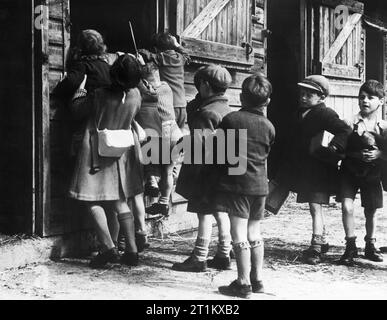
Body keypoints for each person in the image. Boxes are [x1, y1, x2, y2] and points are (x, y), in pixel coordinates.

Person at [68, 54, 143, 268]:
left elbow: (77, 110)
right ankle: (131, 250)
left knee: (91, 200)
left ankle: (108, 248)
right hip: (121, 152)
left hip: (96, 150)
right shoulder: (136, 95)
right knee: (119, 200)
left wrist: (81, 89)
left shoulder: (99, 94)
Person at [216, 74, 275, 299]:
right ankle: (257, 279)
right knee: (254, 232)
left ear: (241, 97)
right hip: (260, 185)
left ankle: (242, 283)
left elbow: (220, 153)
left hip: (237, 184)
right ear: (267, 102)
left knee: (238, 232)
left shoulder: (231, 120)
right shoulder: (269, 126)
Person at [173, 64, 233, 272]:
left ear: (205, 85)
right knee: (221, 212)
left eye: (199, 86)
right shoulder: (226, 109)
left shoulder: (205, 113)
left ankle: (199, 257)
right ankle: (224, 253)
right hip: (223, 171)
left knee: (203, 213)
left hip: (204, 171)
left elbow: (200, 146)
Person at [288, 75, 351, 265]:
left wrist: (335, 147)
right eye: (302, 93)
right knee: (312, 206)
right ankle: (322, 240)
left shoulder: (326, 114)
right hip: (307, 168)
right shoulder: (300, 113)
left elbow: (344, 131)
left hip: (320, 168)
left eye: (310, 94)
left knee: (316, 206)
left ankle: (316, 247)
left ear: (321, 97)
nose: (304, 97)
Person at [336, 80, 387, 265]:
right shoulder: (349, 122)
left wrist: (380, 153)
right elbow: (340, 147)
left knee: (371, 210)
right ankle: (350, 246)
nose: (365, 101)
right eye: (362, 97)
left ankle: (370, 244)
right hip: (350, 169)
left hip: (372, 172)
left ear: (381, 101)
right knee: (347, 206)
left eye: (370, 97)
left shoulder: (384, 126)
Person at [135, 62, 182, 216]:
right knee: (168, 171)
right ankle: (163, 202)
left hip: (163, 131)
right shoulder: (166, 86)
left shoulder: (149, 91)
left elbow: (147, 90)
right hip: (175, 130)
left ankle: (152, 183)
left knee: (148, 155)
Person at [139, 32, 190, 130]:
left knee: (168, 137)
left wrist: (140, 55)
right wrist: (177, 45)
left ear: (156, 49)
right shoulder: (180, 58)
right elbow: (187, 55)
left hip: (170, 106)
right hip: (182, 105)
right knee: (179, 139)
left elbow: (147, 54)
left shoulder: (161, 57)